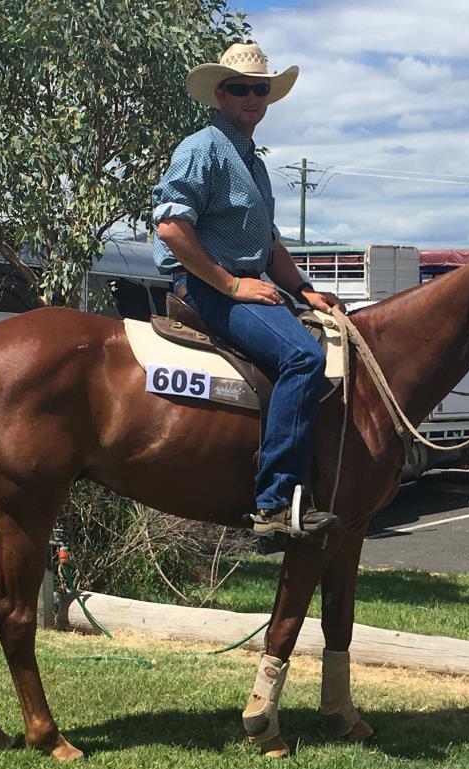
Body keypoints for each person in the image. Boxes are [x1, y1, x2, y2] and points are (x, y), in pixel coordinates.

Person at [151, 41, 342, 539]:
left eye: (260, 90)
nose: (252, 98)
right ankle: (275, 503)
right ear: (220, 95)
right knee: (303, 358)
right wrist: (233, 284)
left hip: (237, 285)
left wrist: (305, 290)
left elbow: (269, 244)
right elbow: (170, 227)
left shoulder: (253, 163)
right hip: (207, 288)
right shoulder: (203, 149)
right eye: (240, 89)